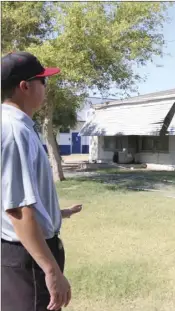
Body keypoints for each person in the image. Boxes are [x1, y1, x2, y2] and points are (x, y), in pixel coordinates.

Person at [1, 51, 83, 311]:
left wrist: (57, 213)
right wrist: (51, 270)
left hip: (24, 252)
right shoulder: (14, 131)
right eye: (43, 81)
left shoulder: (19, 126)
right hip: (28, 258)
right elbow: (16, 209)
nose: (46, 87)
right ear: (24, 86)